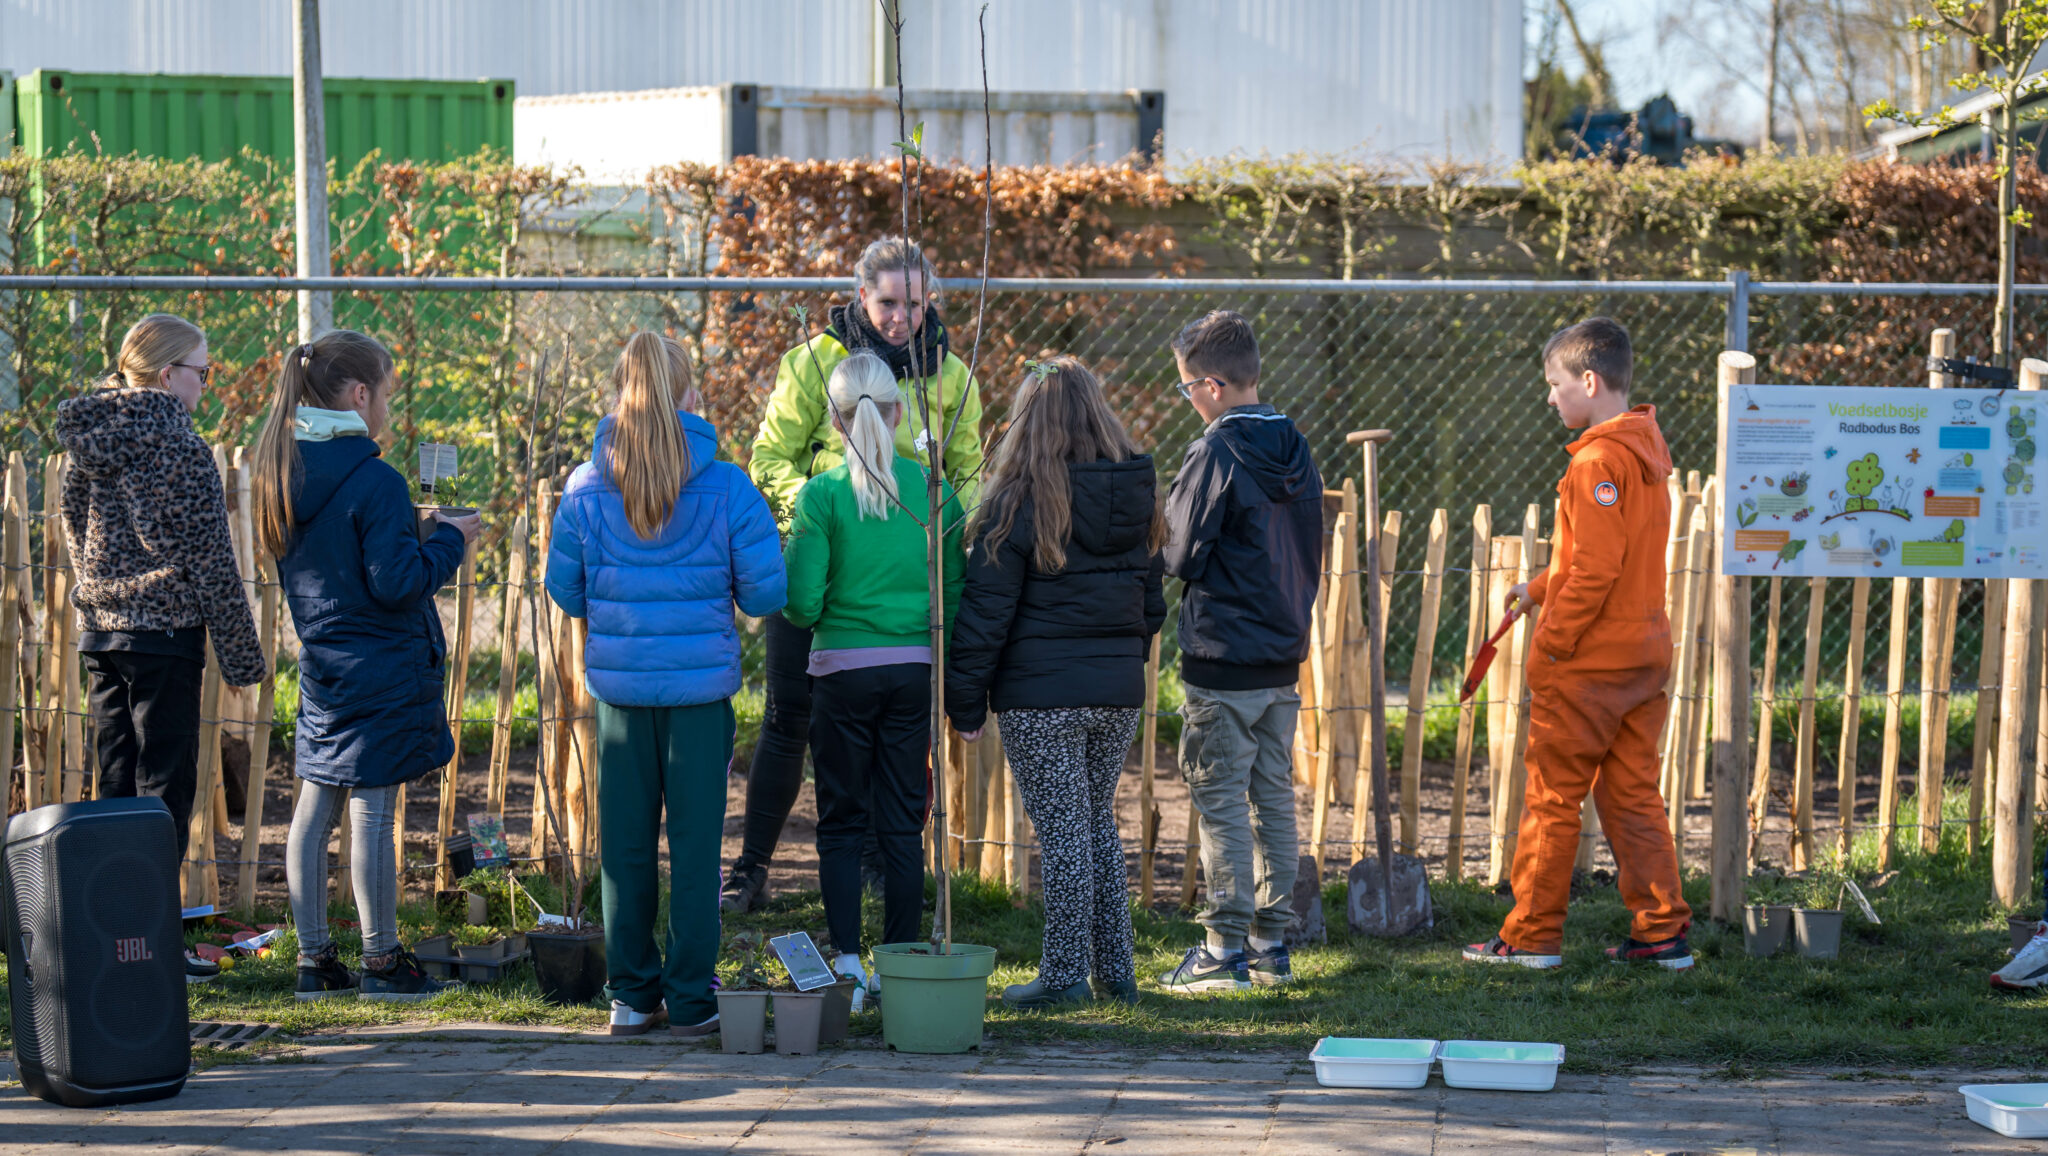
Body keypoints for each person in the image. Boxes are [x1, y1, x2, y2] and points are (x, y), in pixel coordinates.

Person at [726, 235, 984, 914]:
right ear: (862, 297)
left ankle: (877, 865)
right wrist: (833, 494)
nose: (903, 318)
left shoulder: (950, 376)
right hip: (817, 554)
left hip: (897, 576)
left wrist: (940, 522)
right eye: (889, 302)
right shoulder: (814, 362)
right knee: (788, 717)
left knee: (887, 723)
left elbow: (968, 472)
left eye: (917, 304)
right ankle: (750, 868)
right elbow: (768, 457)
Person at [546, 332, 786, 1037]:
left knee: (622, 847)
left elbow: (566, 591)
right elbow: (766, 593)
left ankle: (629, 995)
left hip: (620, 696)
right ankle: (691, 999)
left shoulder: (586, 488)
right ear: (689, 394)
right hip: (700, 699)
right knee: (696, 848)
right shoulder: (728, 485)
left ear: (619, 392)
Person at [251, 329, 477, 1002]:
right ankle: (382, 962)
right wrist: (450, 541)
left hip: (324, 664)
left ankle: (314, 962)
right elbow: (395, 583)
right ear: (358, 395)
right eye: (386, 393)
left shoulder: (282, 467)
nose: (387, 407)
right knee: (374, 814)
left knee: (315, 808)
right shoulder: (374, 478)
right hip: (380, 666)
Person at [1462, 316, 1693, 971]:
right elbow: (1606, 551)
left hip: (1590, 665)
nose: (1550, 397)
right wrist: (1538, 588)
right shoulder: (1647, 453)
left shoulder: (1596, 460)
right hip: (1644, 655)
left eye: (1555, 384)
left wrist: (1552, 645)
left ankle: (1531, 936)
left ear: (1588, 381)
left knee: (1553, 799)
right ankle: (1661, 935)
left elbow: (1595, 568)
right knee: (1633, 797)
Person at [945, 357, 1166, 1009]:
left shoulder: (1014, 503)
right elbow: (1152, 607)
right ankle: (1115, 970)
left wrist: (966, 701)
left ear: (1028, 422)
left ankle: (1066, 974)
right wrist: (1121, 662)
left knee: (1066, 830)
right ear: (1099, 410)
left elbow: (987, 616)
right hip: (1117, 689)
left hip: (1040, 694)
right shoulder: (1137, 496)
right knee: (1097, 822)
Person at [55, 312, 267, 986]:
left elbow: (71, 530)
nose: (207, 385)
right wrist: (243, 658)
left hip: (103, 632)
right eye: (202, 372)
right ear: (169, 372)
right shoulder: (180, 446)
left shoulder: (88, 441)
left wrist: (95, 594)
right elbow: (210, 558)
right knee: (162, 795)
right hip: (166, 634)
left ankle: (110, 939)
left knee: (114, 787)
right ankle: (149, 944)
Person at [781, 350, 965, 1005]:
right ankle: (903, 960)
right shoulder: (936, 493)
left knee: (839, 823)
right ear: (896, 411)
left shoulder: (822, 494)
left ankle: (848, 965)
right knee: (901, 821)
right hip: (914, 671)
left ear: (833, 420)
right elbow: (953, 596)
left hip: (841, 674)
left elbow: (801, 605)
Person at [1158, 310, 1323, 993]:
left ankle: (1223, 948)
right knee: (1272, 798)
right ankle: (1270, 944)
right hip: (1281, 655)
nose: (1188, 399)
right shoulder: (1297, 445)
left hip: (1223, 654)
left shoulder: (1217, 450)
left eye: (1188, 387)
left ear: (1217, 385)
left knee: (1221, 798)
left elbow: (1179, 550)